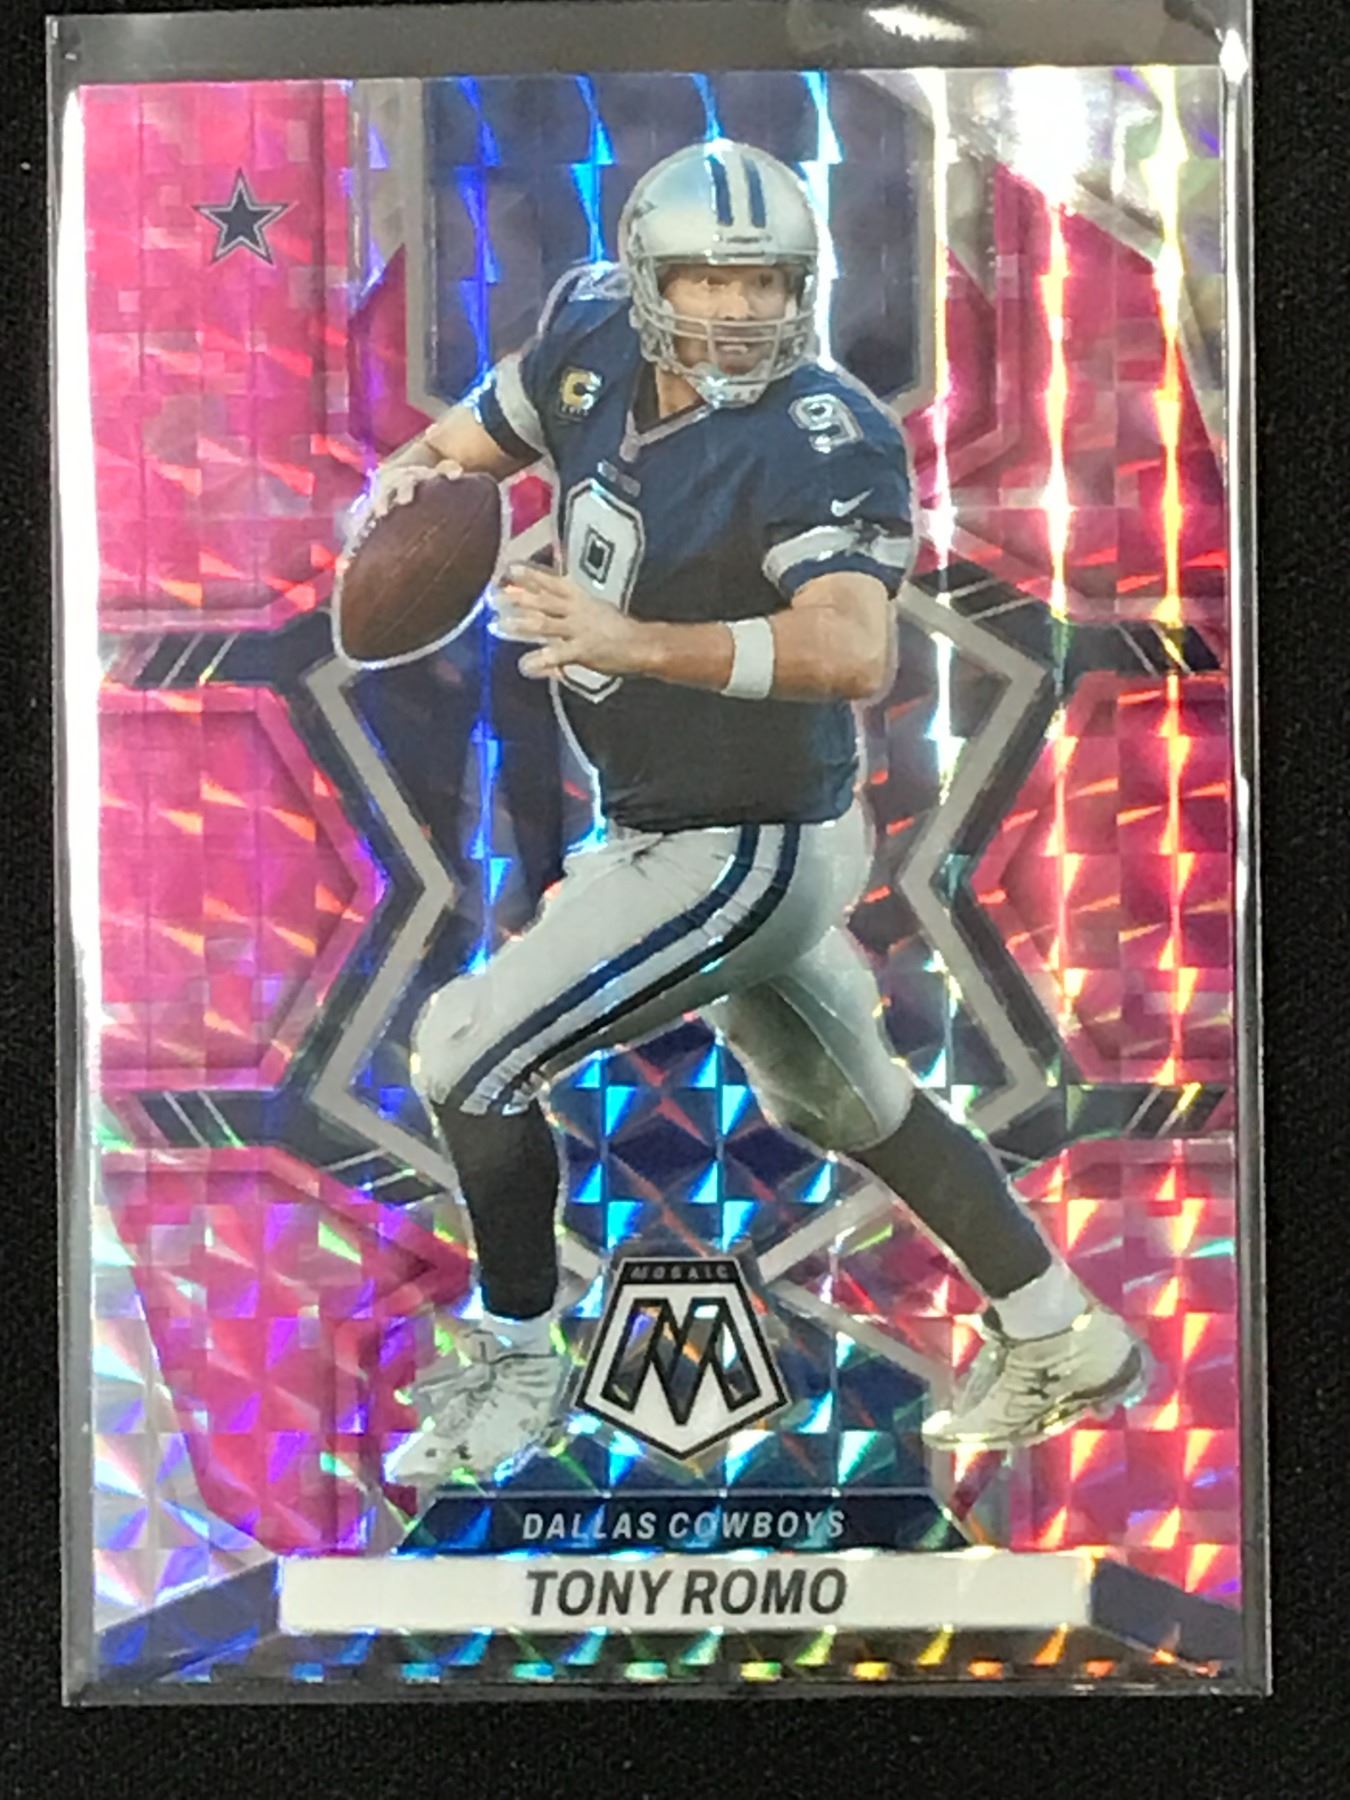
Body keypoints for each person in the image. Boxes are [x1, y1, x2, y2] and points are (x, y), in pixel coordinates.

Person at [342, 141, 1147, 1486]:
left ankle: (518, 1360)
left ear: (802, 288)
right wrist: (407, 487)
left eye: (764, 281)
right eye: (708, 280)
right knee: (846, 1100)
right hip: (680, 824)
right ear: (645, 279)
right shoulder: (590, 333)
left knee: (466, 1054)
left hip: (747, 845)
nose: (737, 308)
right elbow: (467, 446)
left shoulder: (818, 433)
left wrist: (632, 640)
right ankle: (1064, 1331)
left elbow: (853, 650)